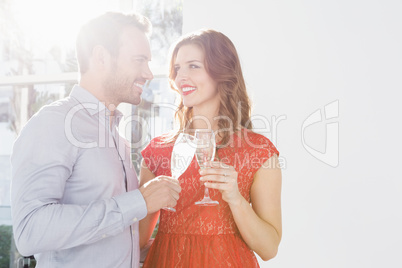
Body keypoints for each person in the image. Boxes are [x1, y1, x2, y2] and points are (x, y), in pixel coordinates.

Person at [10, 12, 181, 268]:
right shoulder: (54, 123)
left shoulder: (116, 136)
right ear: (101, 57)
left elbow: (109, 240)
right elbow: (30, 230)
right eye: (139, 60)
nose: (147, 73)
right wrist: (139, 202)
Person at [139, 29, 282, 267]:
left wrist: (235, 199)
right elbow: (138, 239)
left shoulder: (258, 152)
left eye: (193, 66)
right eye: (176, 68)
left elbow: (269, 248)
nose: (180, 76)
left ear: (222, 72)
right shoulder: (158, 152)